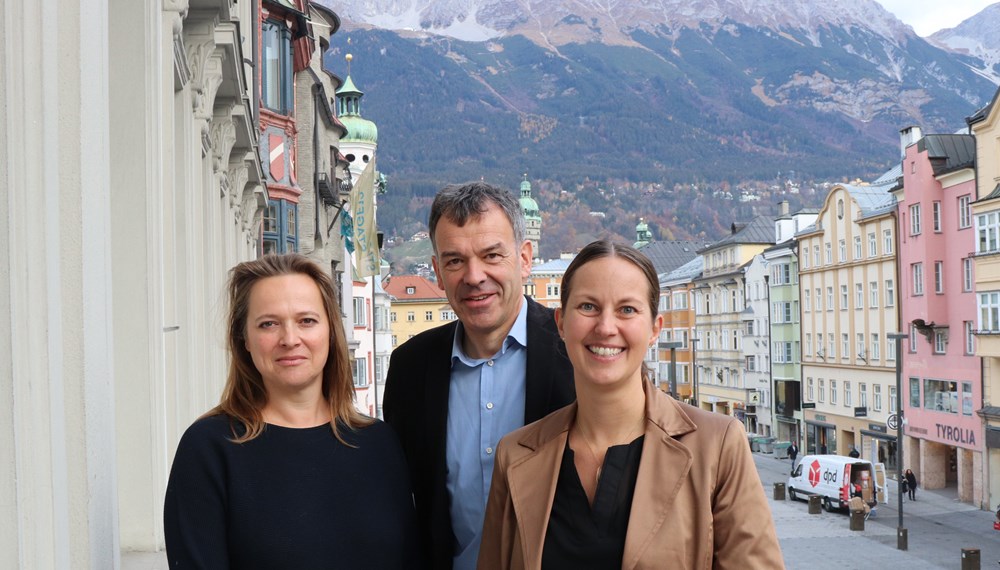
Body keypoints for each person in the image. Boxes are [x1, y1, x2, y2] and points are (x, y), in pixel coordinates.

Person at [478, 241, 784, 569]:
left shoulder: (718, 446)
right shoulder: (515, 455)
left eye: (627, 309)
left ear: (654, 329)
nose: (606, 327)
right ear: (562, 323)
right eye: (588, 307)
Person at [163, 254, 421, 568]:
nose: (289, 339)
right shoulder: (209, 449)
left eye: (306, 321)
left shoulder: (379, 442)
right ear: (244, 339)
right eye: (268, 324)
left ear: (330, 331)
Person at [383, 182, 576, 570]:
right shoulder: (409, 369)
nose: (474, 276)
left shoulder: (575, 354)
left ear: (524, 259)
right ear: (437, 271)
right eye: (455, 261)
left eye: (491, 255)